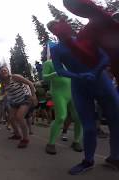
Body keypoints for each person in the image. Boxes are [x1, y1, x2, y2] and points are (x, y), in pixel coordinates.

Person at [48, 20, 119, 174]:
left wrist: (95, 72)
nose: (58, 29)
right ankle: (88, 160)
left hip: (101, 81)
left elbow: (105, 57)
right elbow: (60, 70)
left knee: (116, 121)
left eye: (58, 25)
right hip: (80, 86)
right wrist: (79, 75)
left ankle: (115, 157)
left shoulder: (85, 40)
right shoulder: (56, 49)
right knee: (88, 126)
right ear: (53, 32)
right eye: (53, 28)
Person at [43, 58, 83, 155]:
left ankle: (76, 141)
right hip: (59, 93)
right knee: (61, 117)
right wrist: (55, 74)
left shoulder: (71, 63)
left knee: (79, 117)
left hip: (73, 93)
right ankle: (51, 143)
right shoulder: (49, 63)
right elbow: (44, 77)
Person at [0, 65, 38, 148]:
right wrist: (0, 95)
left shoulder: (15, 77)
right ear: (0, 74)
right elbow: (2, 92)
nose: (3, 71)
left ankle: (25, 139)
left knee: (19, 117)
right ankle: (17, 134)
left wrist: (34, 96)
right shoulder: (3, 83)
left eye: (5, 70)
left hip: (25, 99)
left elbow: (30, 83)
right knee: (11, 118)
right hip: (14, 102)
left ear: (8, 71)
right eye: (1, 71)